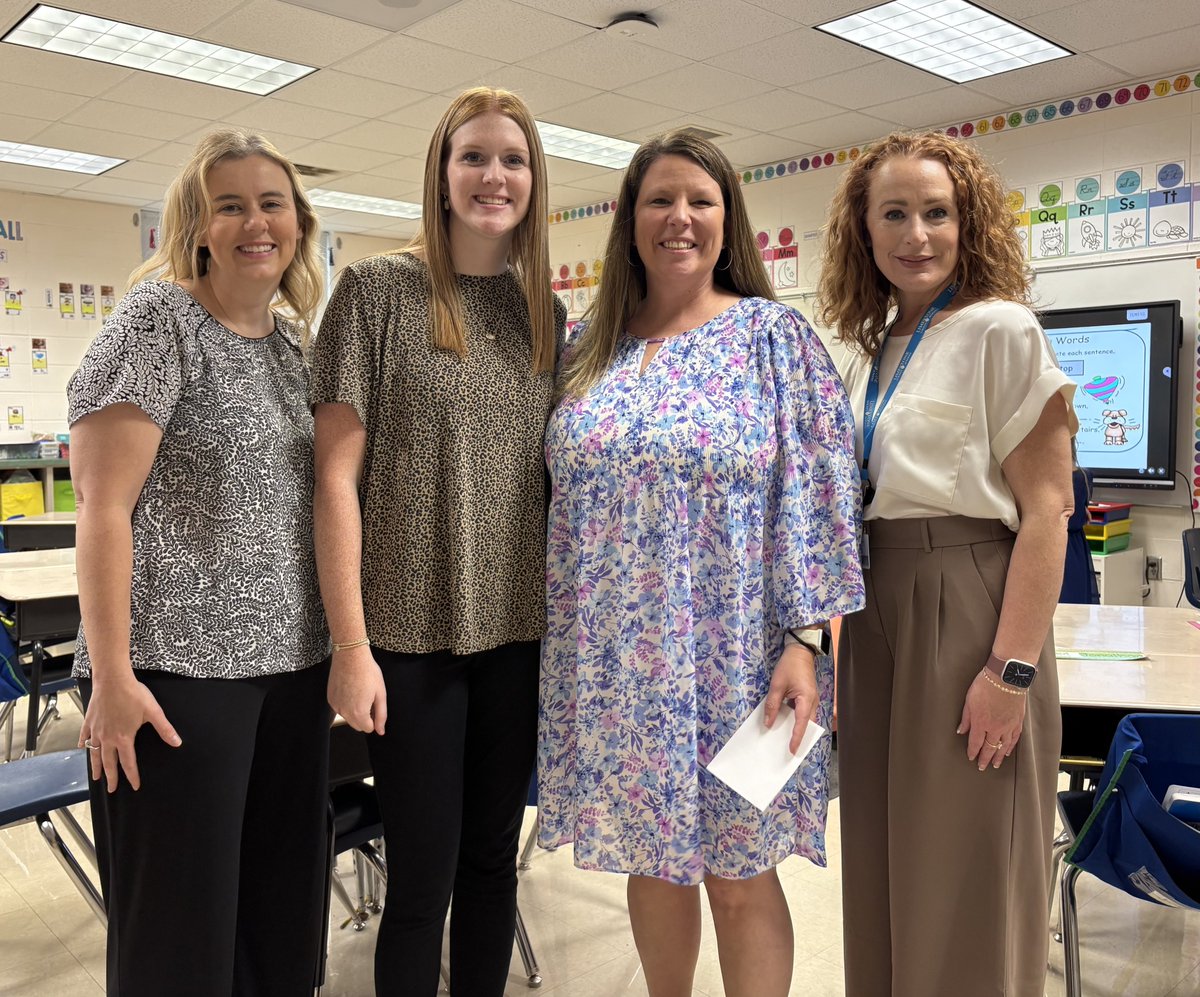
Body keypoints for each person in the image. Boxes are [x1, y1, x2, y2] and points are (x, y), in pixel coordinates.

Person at [537, 131, 865, 997]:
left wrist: (808, 642)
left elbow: (821, 498)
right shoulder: (584, 349)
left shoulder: (773, 338)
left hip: (740, 657)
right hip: (617, 663)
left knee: (739, 872)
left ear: (729, 221)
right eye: (659, 200)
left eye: (700, 201)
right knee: (656, 863)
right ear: (629, 219)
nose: (679, 218)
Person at [311, 87, 564, 996]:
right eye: (475, 156)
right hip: (407, 640)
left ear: (535, 180)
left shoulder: (545, 313)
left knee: (494, 867)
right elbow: (333, 480)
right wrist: (350, 645)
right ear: (442, 171)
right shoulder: (376, 292)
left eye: (514, 159)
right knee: (421, 879)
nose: (494, 176)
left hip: (515, 634)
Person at [68, 128, 330, 996]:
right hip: (176, 679)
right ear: (200, 226)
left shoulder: (292, 346)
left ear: (298, 222)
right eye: (231, 205)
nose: (256, 222)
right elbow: (102, 509)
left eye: (272, 203)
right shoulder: (159, 323)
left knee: (280, 922)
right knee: (180, 939)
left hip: (292, 671)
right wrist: (110, 678)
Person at [815, 131, 1078, 997]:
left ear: (968, 225)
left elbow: (1049, 511)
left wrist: (1009, 672)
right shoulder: (870, 345)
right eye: (894, 213)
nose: (915, 233)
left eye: (937, 213)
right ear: (864, 228)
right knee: (887, 865)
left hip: (967, 603)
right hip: (876, 605)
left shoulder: (1002, 328)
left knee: (964, 868)